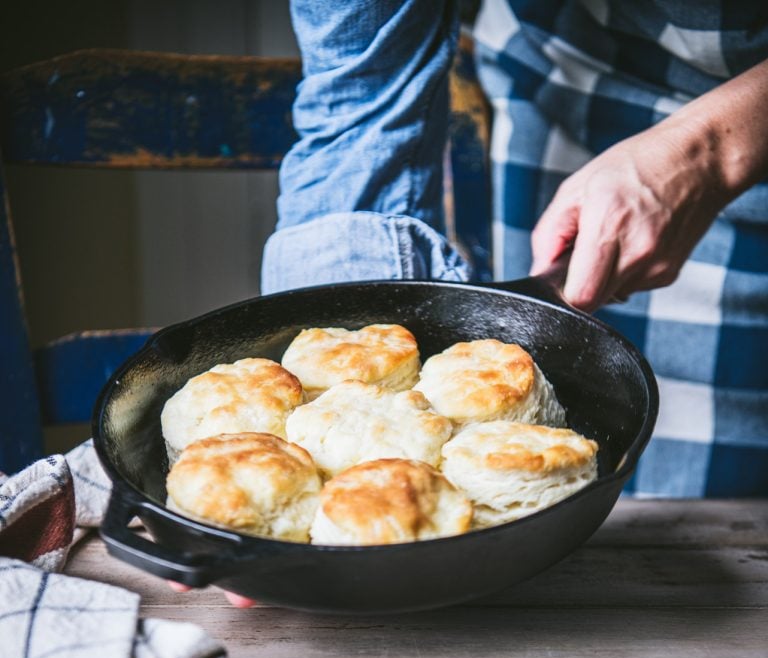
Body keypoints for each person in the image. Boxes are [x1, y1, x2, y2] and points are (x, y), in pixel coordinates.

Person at [174, 1, 768, 605]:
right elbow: (363, 91)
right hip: (565, 86)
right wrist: (278, 511)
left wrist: (713, 148)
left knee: (720, 524)